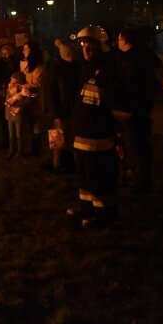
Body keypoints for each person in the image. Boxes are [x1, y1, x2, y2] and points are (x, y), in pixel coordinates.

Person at [66, 25, 120, 229]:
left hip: (99, 134)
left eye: (90, 46)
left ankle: (103, 213)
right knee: (84, 175)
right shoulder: (84, 67)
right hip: (82, 132)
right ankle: (87, 208)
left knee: (99, 176)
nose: (85, 49)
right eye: (83, 45)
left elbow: (113, 100)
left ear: (101, 47)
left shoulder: (108, 69)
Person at [114, 27, 161, 192]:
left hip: (132, 109)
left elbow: (129, 85)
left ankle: (141, 180)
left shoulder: (130, 61)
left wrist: (123, 104)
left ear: (126, 41)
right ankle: (140, 176)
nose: (117, 43)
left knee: (135, 144)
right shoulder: (144, 58)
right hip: (143, 107)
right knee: (140, 142)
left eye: (119, 39)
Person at [48, 39, 80, 174]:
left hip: (73, 109)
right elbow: (52, 93)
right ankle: (56, 164)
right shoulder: (56, 70)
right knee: (58, 138)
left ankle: (72, 164)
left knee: (73, 137)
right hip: (61, 110)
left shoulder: (76, 67)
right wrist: (56, 114)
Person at [0, 71, 30, 159]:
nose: (10, 82)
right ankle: (11, 149)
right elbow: (1, 92)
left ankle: (19, 151)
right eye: (11, 79)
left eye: (12, 80)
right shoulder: (9, 90)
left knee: (18, 133)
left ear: (18, 82)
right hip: (9, 114)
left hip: (18, 115)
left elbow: (27, 102)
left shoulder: (23, 92)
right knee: (11, 133)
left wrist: (18, 105)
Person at [20, 40, 46, 157]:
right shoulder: (28, 67)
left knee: (37, 125)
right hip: (29, 100)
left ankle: (37, 151)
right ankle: (32, 148)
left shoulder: (39, 69)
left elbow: (35, 85)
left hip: (37, 101)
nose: (23, 51)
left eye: (26, 49)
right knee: (31, 124)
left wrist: (24, 87)